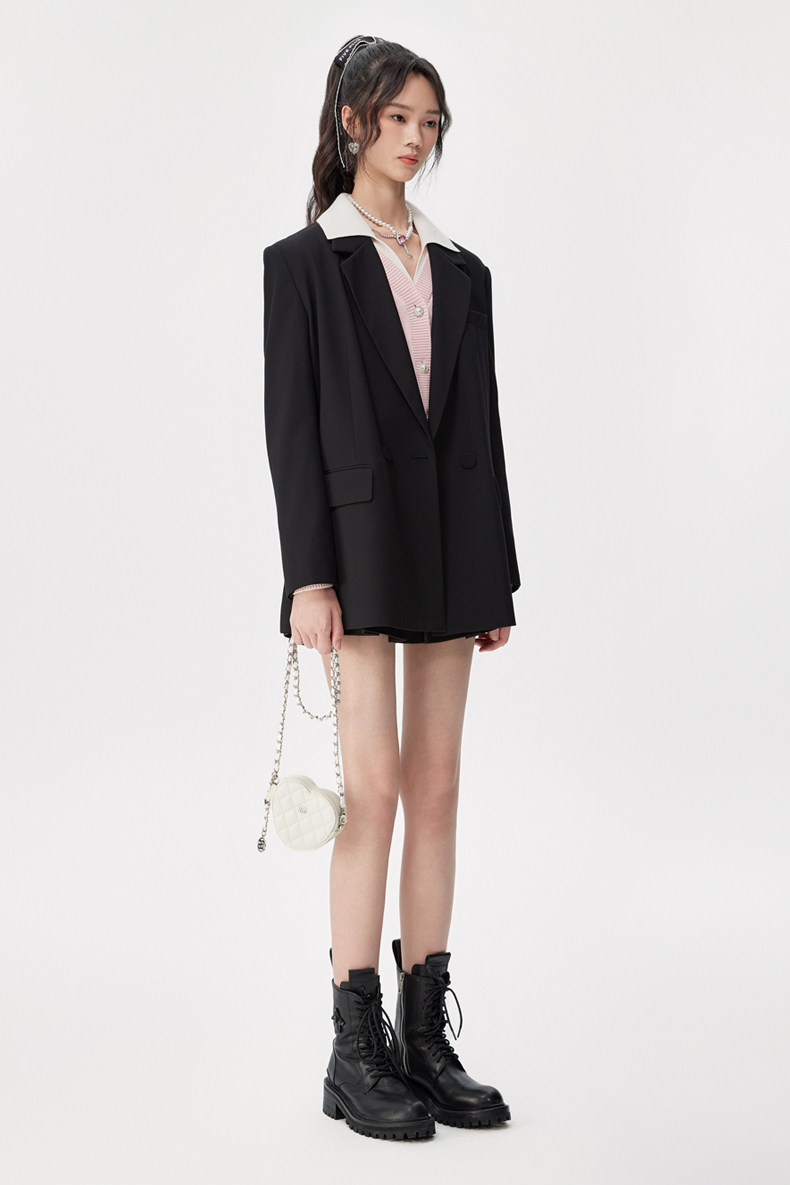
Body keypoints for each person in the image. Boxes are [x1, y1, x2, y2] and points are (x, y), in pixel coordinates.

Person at [262, 34, 520, 1141]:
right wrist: (307, 576)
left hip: (456, 546)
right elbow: (291, 433)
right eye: (400, 118)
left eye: (431, 123)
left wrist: (497, 574)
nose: (416, 139)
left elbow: (482, 429)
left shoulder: (462, 269)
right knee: (371, 792)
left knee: (438, 788)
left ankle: (425, 1035)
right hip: (360, 551)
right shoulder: (304, 264)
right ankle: (353, 1045)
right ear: (352, 121)